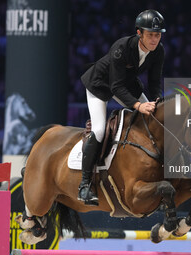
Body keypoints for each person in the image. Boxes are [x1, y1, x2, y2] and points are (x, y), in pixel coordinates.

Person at [79, 10, 166, 205]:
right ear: (139, 33)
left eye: (158, 34)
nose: (154, 39)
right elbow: (115, 87)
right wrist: (138, 105)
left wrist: (157, 102)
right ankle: (84, 185)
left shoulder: (158, 51)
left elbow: (154, 83)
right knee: (100, 130)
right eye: (150, 34)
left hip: (127, 85)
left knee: (154, 118)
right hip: (100, 85)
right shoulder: (122, 48)